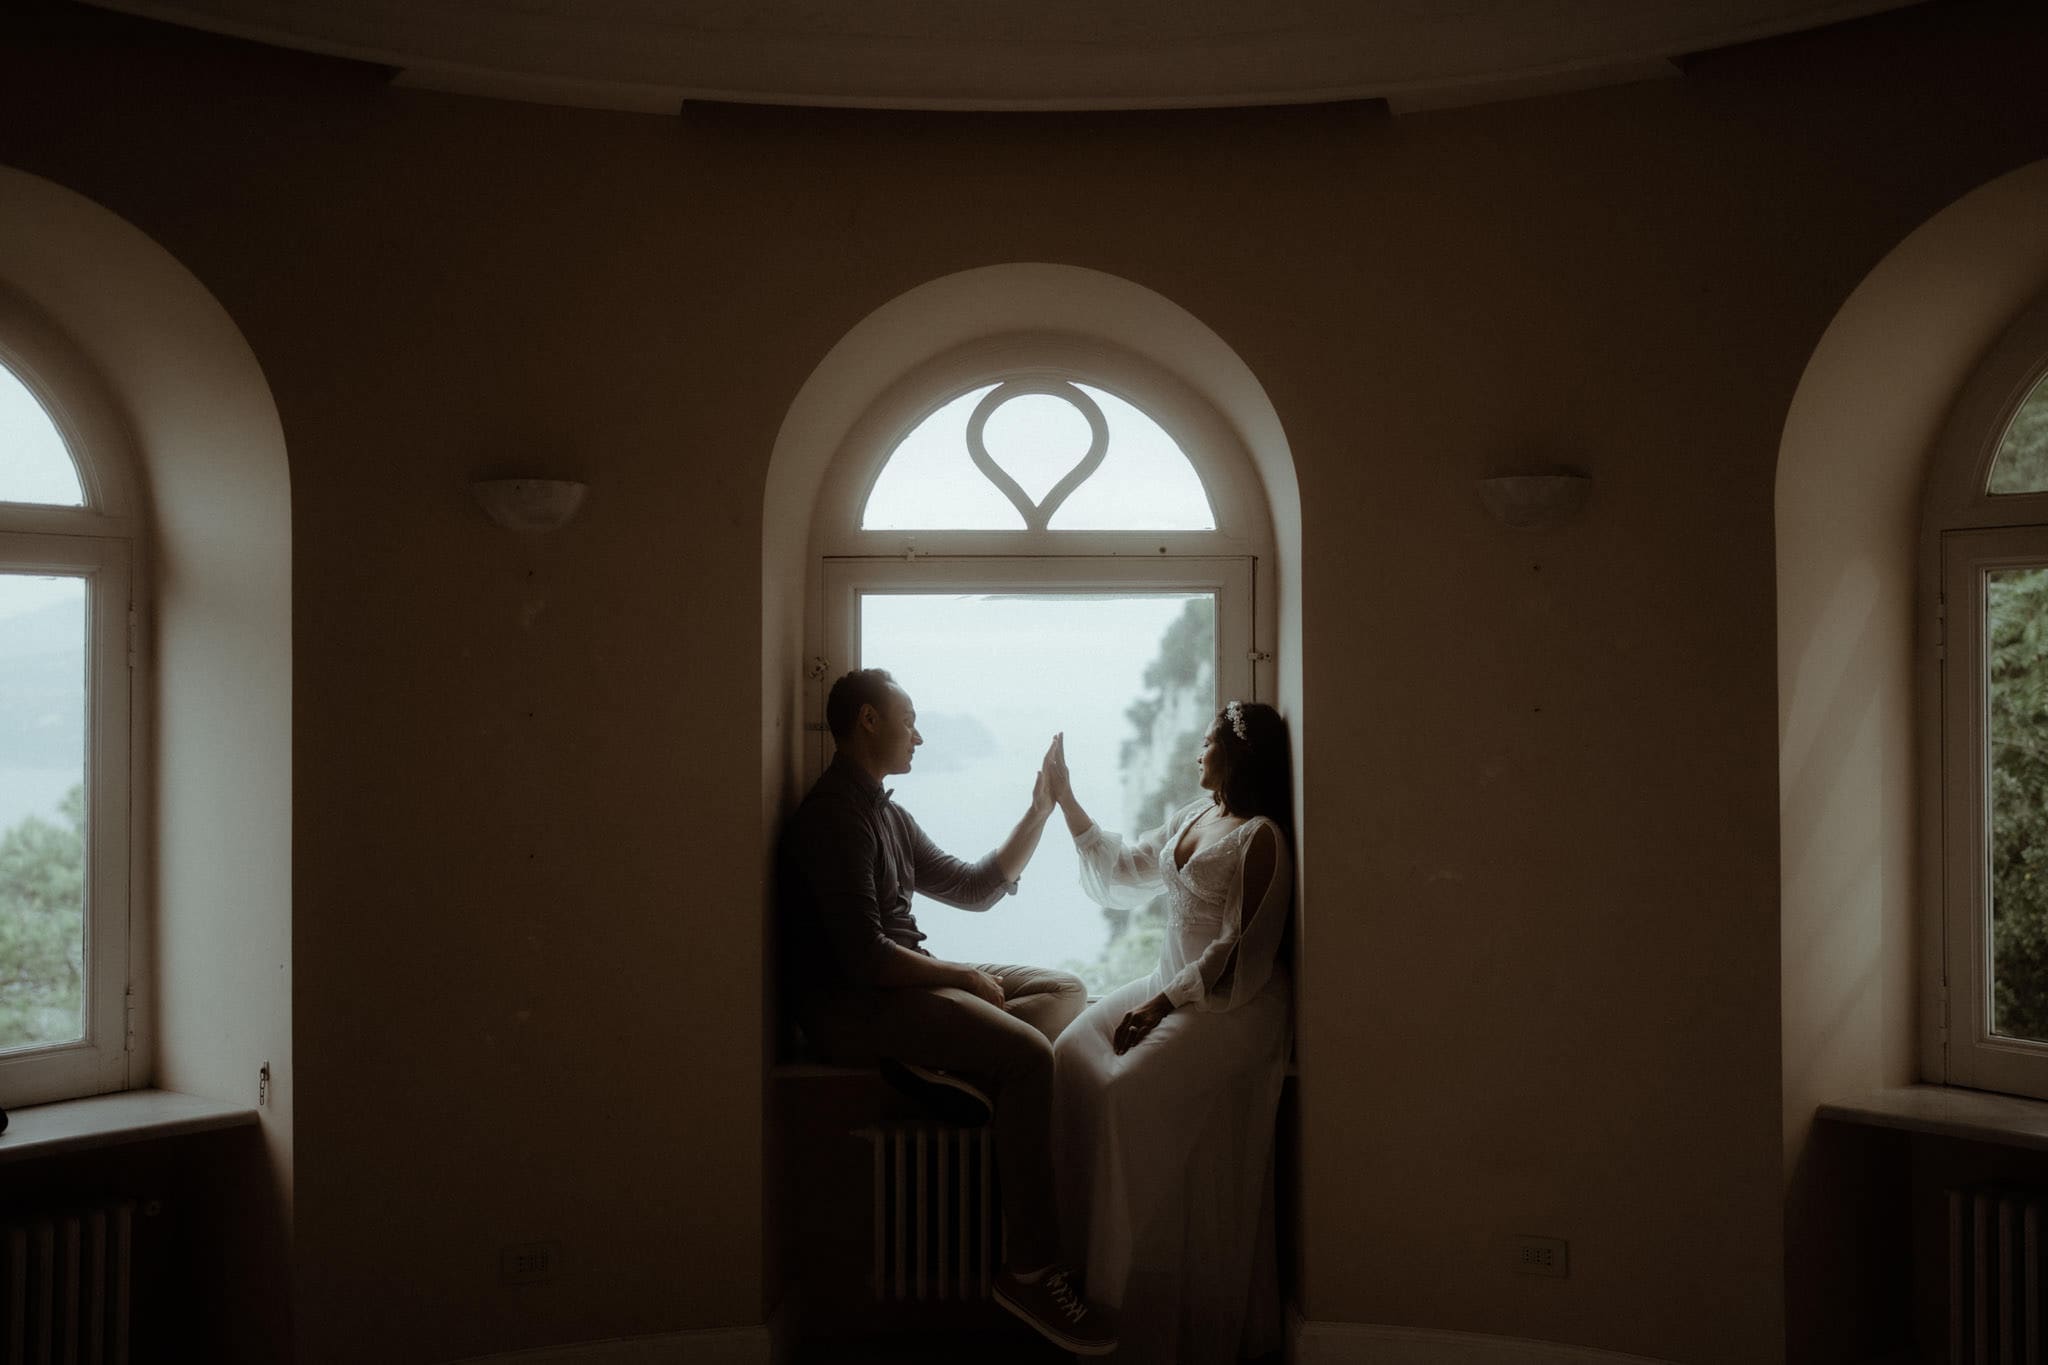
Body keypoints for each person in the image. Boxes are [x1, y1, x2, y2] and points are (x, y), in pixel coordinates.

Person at [777, 667, 1118, 1356]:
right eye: (910, 721)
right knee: (1030, 1058)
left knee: (1066, 992)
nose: (919, 736)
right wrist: (960, 976)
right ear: (868, 720)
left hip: (905, 990)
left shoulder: (888, 815)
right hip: (860, 1008)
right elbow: (866, 959)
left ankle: (947, 1061)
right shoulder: (833, 817)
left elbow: (975, 887)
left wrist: (1040, 809)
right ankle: (1030, 1272)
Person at [1045, 700, 1295, 1365]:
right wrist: (1066, 799)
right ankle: (1074, 1262)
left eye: (1208, 742)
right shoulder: (1194, 814)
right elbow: (1127, 867)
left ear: (1236, 754)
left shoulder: (1261, 838)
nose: (1197, 752)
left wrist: (1162, 1003)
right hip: (1171, 982)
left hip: (1230, 1005)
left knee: (1123, 1092)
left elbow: (1237, 950)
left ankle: (1114, 1300)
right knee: (1070, 1053)